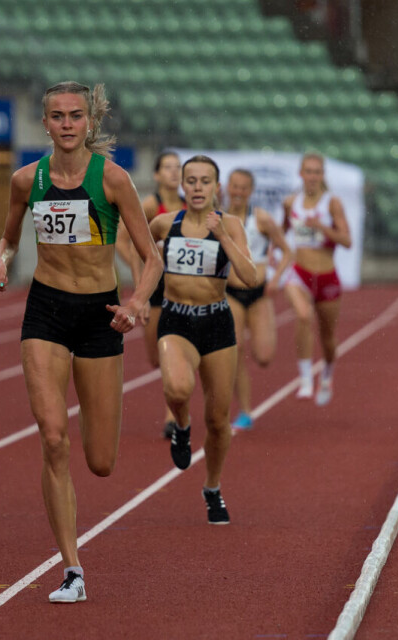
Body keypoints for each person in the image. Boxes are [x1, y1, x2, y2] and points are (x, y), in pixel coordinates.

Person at [0, 81, 162, 603]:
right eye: (57, 116)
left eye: (75, 115)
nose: (66, 124)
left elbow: (151, 257)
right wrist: (0, 259)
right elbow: (10, 237)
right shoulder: (26, 181)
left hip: (99, 316)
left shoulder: (112, 179)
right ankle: (72, 569)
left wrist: (134, 304)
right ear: (44, 123)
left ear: (90, 122)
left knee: (101, 460)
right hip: (44, 311)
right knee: (53, 435)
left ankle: (73, 560)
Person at [150, 155, 258, 525]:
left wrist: (223, 235)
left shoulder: (231, 225)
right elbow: (144, 252)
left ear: (217, 187)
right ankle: (181, 427)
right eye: (191, 181)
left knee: (217, 421)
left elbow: (249, 276)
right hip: (176, 320)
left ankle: (212, 488)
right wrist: (141, 291)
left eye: (205, 181)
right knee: (177, 389)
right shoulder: (165, 223)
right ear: (182, 186)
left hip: (216, 324)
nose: (197, 188)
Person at [116, 150, 185, 439]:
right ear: (156, 175)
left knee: (176, 350)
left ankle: (174, 416)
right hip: (155, 286)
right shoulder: (149, 205)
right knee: (156, 357)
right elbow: (124, 241)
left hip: (182, 287)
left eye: (177, 167)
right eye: (167, 168)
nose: (173, 172)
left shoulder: (189, 205)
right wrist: (140, 286)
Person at [277, 152, 352, 406]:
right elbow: (284, 229)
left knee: (328, 337)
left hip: (327, 277)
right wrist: (274, 250)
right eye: (308, 171)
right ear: (301, 174)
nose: (312, 177)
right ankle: (306, 378)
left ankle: (327, 374)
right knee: (302, 316)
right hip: (300, 272)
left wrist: (323, 228)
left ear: (322, 175)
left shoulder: (332, 204)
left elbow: (347, 241)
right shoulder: (290, 203)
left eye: (317, 172)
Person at [222, 168, 292, 430]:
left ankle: (245, 408)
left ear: (250, 191)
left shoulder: (261, 219)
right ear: (228, 187)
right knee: (235, 350)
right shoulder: (219, 219)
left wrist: (275, 281)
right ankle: (245, 411)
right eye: (234, 186)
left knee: (264, 356)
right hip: (231, 294)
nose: (238, 192)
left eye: (243, 188)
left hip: (260, 293)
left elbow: (286, 251)